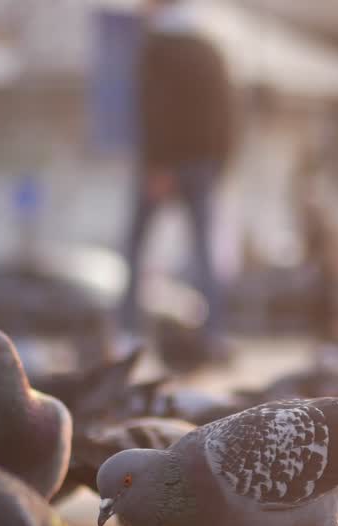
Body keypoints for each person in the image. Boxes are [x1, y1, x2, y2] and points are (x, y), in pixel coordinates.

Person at [120, 0, 233, 354]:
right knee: (203, 251)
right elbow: (229, 112)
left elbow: (157, 109)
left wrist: (160, 164)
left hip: (167, 160)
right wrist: (220, 164)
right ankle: (213, 330)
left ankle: (128, 329)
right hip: (204, 163)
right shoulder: (210, 47)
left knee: (136, 244)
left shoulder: (158, 48)